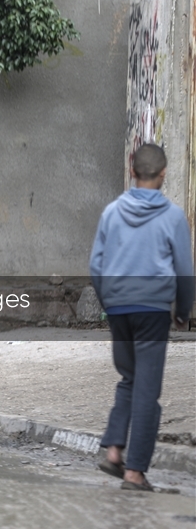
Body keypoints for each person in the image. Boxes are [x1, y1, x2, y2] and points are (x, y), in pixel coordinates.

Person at [90, 143, 194, 491]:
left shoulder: (111, 213)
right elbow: (183, 269)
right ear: (163, 174)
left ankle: (115, 450)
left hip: (118, 306)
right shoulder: (172, 216)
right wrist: (183, 310)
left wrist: (110, 301)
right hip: (151, 310)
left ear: (133, 172)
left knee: (129, 379)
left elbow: (96, 266)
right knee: (147, 390)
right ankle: (135, 472)